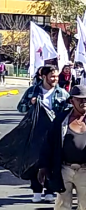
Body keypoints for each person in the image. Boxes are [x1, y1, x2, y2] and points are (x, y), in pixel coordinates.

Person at [18, 66, 71, 202]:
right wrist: (31, 103)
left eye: (56, 76)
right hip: (35, 132)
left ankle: (49, 189)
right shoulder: (33, 91)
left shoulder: (62, 93)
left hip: (54, 132)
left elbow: (68, 110)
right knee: (35, 161)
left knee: (52, 160)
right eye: (52, 76)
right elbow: (21, 108)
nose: (55, 79)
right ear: (44, 77)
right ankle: (36, 190)